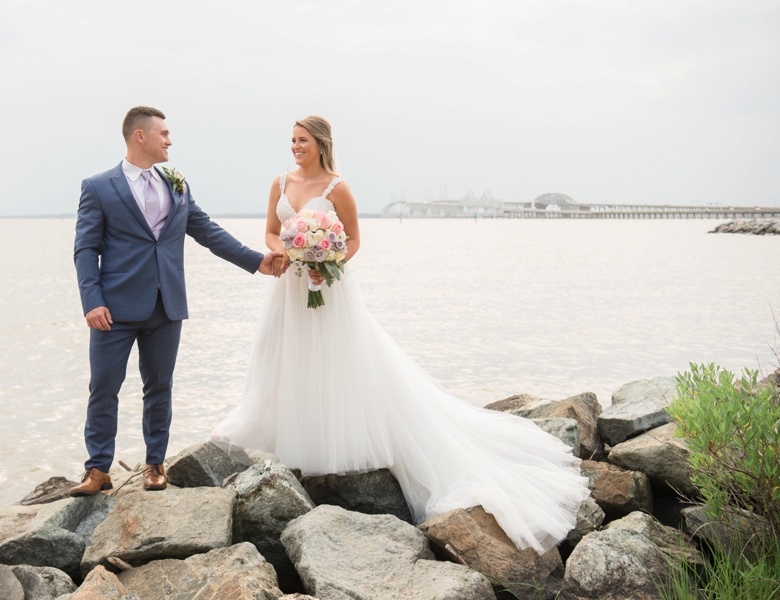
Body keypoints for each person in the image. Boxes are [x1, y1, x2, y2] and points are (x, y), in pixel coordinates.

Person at [212, 115, 590, 554]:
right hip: (289, 290)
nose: (295, 146)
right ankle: (288, 434)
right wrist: (287, 251)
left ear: (320, 144)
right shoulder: (279, 183)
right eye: (292, 140)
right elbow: (271, 233)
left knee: (334, 359)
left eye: (302, 140)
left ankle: (333, 441)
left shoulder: (338, 188)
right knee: (284, 356)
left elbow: (352, 240)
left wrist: (325, 259)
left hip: (327, 288)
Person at [71, 106, 280, 495]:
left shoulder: (176, 183)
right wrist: (91, 301)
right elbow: (85, 249)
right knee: (103, 386)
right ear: (140, 136)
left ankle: (155, 465)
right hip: (112, 308)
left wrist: (257, 262)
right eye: (164, 134)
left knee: (160, 387)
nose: (170, 140)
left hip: (166, 305)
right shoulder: (98, 186)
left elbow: (205, 230)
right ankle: (97, 469)